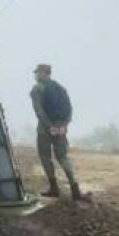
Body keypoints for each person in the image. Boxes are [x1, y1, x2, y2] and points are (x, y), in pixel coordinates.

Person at [29, 64, 81, 199]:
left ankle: (54, 188)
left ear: (44, 73)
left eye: (37, 72)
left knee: (45, 157)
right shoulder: (61, 88)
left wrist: (49, 126)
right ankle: (74, 187)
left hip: (45, 129)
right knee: (63, 157)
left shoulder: (36, 89)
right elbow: (69, 109)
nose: (35, 75)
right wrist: (64, 125)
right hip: (61, 128)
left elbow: (39, 110)